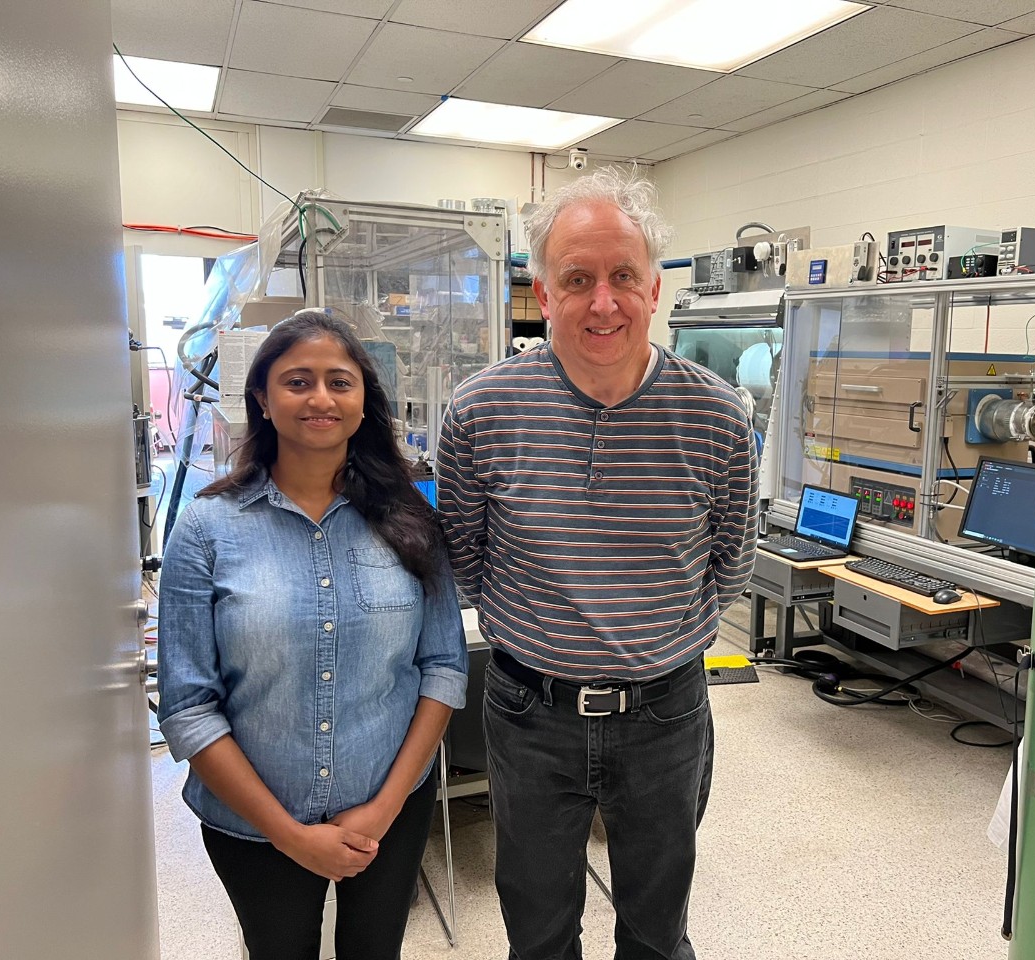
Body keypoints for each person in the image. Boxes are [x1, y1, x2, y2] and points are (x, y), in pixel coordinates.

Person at [436, 167, 759, 960]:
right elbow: (465, 559)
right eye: (577, 279)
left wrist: (648, 637)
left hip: (666, 713)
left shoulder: (718, 415)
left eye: (622, 277)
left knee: (657, 933)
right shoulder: (480, 411)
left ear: (655, 288)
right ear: (543, 295)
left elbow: (732, 563)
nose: (603, 302)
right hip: (530, 711)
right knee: (539, 934)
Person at [157, 310, 467, 960]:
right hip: (252, 827)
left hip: (389, 811)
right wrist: (290, 835)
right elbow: (188, 708)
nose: (320, 397)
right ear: (264, 400)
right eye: (298, 381)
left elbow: (442, 667)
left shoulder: (411, 520)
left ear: (363, 403)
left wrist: (383, 808)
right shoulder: (205, 530)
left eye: (339, 381)